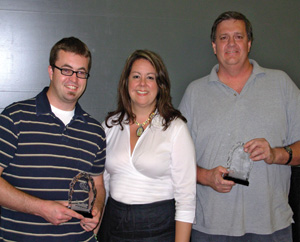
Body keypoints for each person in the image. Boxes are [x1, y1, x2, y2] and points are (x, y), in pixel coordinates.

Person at [179, 11, 300, 242]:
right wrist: (206, 177)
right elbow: (176, 162)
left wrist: (276, 154)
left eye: (238, 37)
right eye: (224, 38)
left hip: (271, 227)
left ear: (249, 43)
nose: (231, 44)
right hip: (211, 229)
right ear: (214, 46)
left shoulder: (281, 84)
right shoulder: (195, 93)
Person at [0, 37, 106, 241]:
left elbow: (98, 186)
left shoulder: (94, 131)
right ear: (51, 71)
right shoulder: (15, 118)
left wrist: (96, 210)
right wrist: (40, 208)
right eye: (66, 70)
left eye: (81, 72)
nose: (74, 79)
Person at [97, 49, 196, 242]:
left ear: (160, 85)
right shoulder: (109, 126)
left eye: (150, 77)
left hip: (160, 229)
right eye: (136, 76)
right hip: (114, 227)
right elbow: (104, 188)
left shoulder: (175, 128)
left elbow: (186, 198)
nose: (142, 84)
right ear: (126, 83)